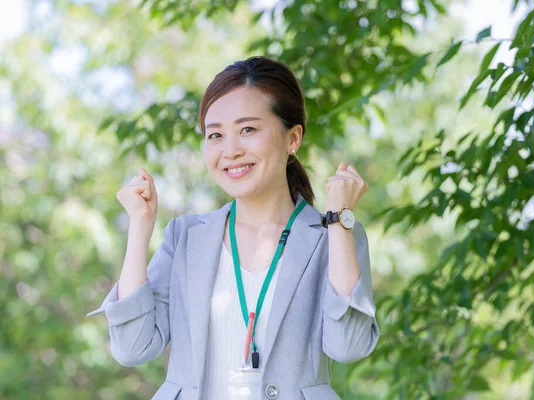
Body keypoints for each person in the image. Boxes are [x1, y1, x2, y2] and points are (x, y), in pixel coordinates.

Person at [87, 56, 379, 400]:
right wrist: (140, 227)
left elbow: (348, 346)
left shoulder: (333, 234)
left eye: (248, 130)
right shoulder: (185, 237)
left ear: (293, 139)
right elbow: (132, 348)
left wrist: (339, 219)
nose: (230, 150)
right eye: (215, 135)